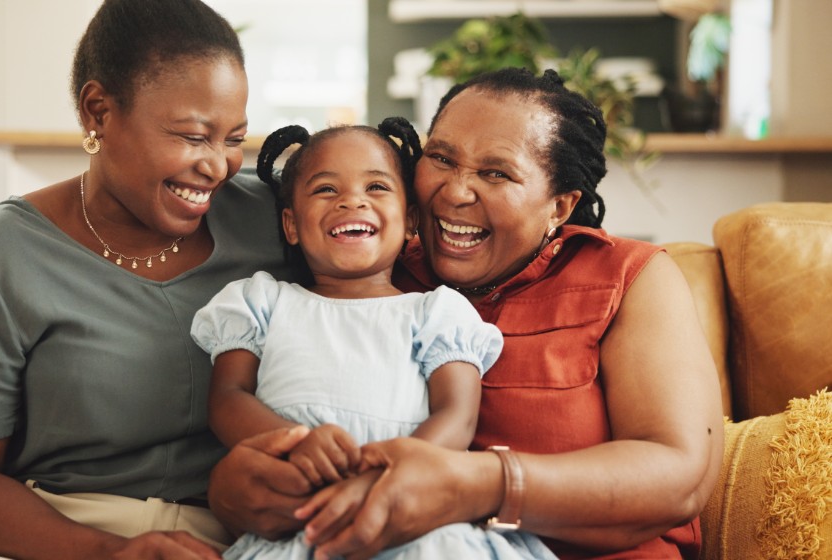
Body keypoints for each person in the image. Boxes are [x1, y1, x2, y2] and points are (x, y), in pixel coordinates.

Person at [206, 67, 725, 560]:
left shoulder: (627, 276)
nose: (454, 192)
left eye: (495, 173)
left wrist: (474, 485)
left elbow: (678, 478)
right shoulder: (369, 269)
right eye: (442, 159)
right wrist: (229, 491)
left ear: (560, 207)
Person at [0, 1, 302, 558]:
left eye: (234, 138)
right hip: (43, 531)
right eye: (191, 136)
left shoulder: (275, 222)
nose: (217, 165)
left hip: (227, 531)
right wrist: (107, 553)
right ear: (98, 112)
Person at [191, 119, 556, 560]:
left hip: (413, 522)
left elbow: (457, 416)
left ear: (409, 223)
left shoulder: (435, 312)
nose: (352, 200)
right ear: (291, 224)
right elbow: (228, 397)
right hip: (301, 523)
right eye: (326, 190)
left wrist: (388, 479)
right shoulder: (260, 300)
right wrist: (294, 441)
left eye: (377, 187)